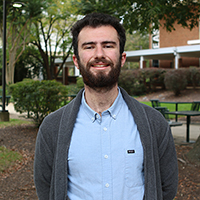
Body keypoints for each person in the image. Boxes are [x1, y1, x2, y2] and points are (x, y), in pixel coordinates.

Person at [34, 13, 178, 200]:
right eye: (89, 46)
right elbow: (46, 189)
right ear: (76, 60)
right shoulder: (52, 127)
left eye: (108, 46)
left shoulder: (154, 123)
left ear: (122, 58)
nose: (99, 54)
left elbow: (167, 187)